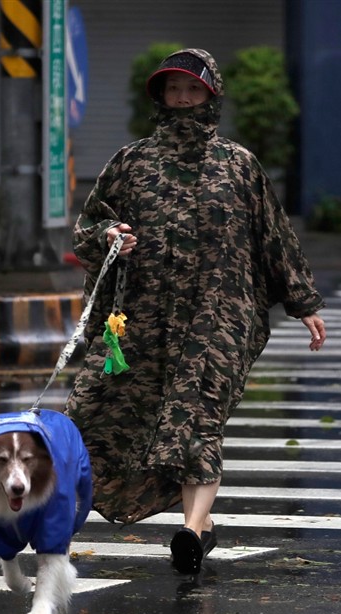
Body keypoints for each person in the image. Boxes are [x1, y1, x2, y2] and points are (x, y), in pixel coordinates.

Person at [64, 48, 326, 575]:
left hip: (218, 318)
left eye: (193, 89)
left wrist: (303, 303)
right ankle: (194, 529)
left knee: (197, 418)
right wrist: (111, 235)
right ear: (160, 97)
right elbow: (89, 225)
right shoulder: (131, 162)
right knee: (94, 413)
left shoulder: (239, 165)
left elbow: (273, 237)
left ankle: (189, 528)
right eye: (173, 89)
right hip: (141, 318)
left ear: (212, 95)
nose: (182, 99)